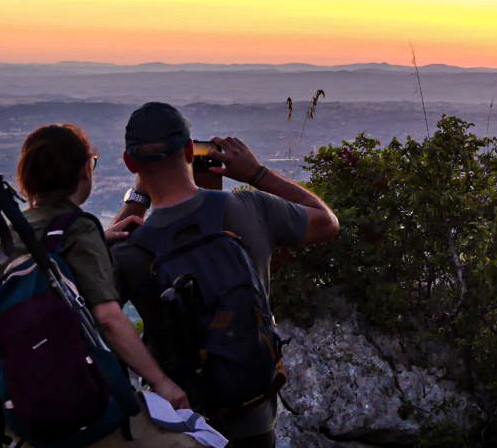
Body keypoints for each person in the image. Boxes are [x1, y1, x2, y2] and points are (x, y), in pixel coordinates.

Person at [111, 102, 340, 448]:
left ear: (131, 164)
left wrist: (138, 197)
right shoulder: (249, 209)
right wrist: (255, 173)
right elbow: (326, 221)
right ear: (189, 151)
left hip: (182, 421)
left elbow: (93, 302)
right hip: (253, 412)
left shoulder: (128, 248)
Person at [11, 124, 200, 447]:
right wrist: (162, 383)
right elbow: (109, 319)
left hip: (25, 396)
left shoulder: (18, 228)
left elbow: (50, 271)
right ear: (84, 172)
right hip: (81, 401)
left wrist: (100, 239)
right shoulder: (79, 231)